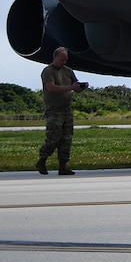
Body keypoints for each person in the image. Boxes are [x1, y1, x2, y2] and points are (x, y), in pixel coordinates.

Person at [37, 47, 88, 175]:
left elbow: (75, 87)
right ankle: (42, 160)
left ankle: (63, 165)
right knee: (53, 137)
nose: (64, 62)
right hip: (54, 109)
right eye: (62, 60)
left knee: (67, 138)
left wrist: (81, 87)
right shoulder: (48, 71)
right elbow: (51, 88)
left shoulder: (68, 71)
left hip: (66, 109)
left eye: (66, 60)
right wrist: (70, 87)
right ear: (55, 58)